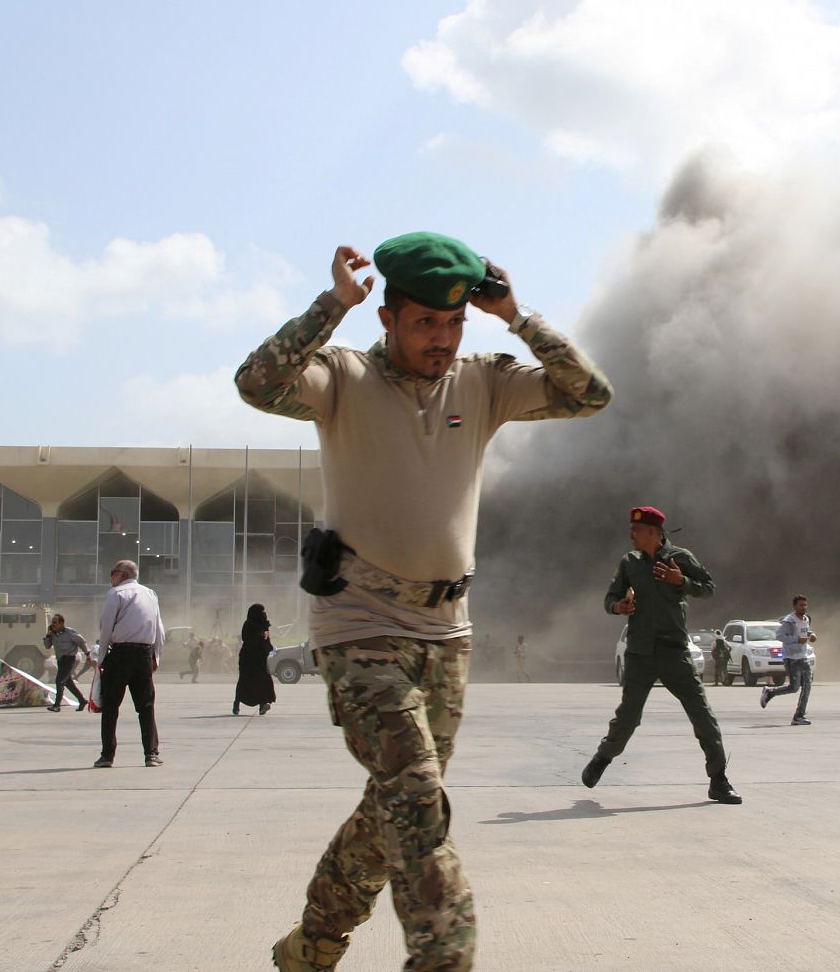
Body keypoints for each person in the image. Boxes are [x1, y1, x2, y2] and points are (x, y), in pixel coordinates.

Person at [235, 232, 611, 972]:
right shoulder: (340, 378)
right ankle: (445, 959)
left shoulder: (483, 382)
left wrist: (515, 314)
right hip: (359, 626)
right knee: (417, 800)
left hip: (447, 635)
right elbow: (257, 381)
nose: (441, 341)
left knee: (397, 807)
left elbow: (588, 393)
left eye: (453, 324)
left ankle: (312, 944)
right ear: (388, 318)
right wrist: (331, 305)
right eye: (424, 324)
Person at [583, 506, 741, 804]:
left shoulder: (681, 558)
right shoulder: (629, 562)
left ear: (653, 533)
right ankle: (603, 756)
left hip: (674, 652)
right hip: (640, 654)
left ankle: (718, 780)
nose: (631, 535)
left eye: (637, 530)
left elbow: (708, 588)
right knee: (628, 718)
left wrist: (680, 582)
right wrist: (619, 607)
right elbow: (610, 598)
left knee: (702, 715)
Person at [94, 560, 166, 768]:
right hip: (143, 654)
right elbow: (159, 628)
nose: (111, 577)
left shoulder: (116, 594)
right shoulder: (150, 594)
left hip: (120, 654)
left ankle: (107, 755)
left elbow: (106, 626)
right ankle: (151, 754)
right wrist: (156, 657)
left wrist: (101, 658)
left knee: (110, 707)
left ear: (122, 575)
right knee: (146, 707)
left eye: (112, 573)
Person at [762, 595, 816, 724]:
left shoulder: (806, 619)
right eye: (801, 605)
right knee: (794, 687)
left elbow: (805, 631)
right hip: (791, 658)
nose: (804, 608)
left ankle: (799, 716)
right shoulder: (789, 621)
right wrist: (796, 640)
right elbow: (780, 636)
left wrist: (811, 635)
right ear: (795, 606)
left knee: (807, 686)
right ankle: (770, 692)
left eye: (805, 605)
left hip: (803, 657)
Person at [233, 603, 276, 716]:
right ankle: (236, 703)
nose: (264, 613)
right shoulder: (248, 624)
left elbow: (267, 641)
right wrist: (260, 636)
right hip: (248, 658)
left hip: (260, 658)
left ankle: (263, 704)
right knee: (244, 680)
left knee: (263, 680)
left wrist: (266, 635)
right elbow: (247, 639)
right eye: (262, 611)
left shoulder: (263, 625)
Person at [43, 614, 91, 712]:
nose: (53, 625)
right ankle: (82, 700)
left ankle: (57, 705)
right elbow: (47, 646)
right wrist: (48, 635)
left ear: (61, 623)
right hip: (60, 660)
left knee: (59, 681)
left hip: (69, 659)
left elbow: (82, 642)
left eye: (55, 622)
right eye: (52, 623)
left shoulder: (70, 633)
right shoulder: (53, 634)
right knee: (68, 683)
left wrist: (88, 653)